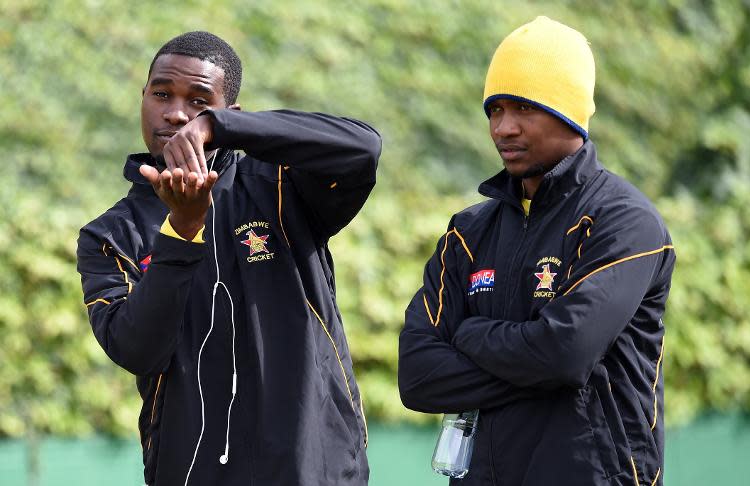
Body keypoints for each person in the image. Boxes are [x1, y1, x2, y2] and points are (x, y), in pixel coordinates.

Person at [77, 31, 380, 486]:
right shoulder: (110, 234)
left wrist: (220, 129)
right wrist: (181, 231)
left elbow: (364, 149)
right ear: (143, 98)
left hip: (314, 466)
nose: (176, 113)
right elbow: (137, 349)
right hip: (190, 471)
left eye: (199, 102)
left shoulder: (282, 185)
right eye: (161, 94)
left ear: (227, 115)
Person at [399, 16, 675, 486]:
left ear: (569, 112)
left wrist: (469, 333)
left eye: (524, 107)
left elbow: (565, 354)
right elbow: (418, 377)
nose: (503, 128)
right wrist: (541, 367)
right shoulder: (468, 231)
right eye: (494, 110)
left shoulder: (625, 221)